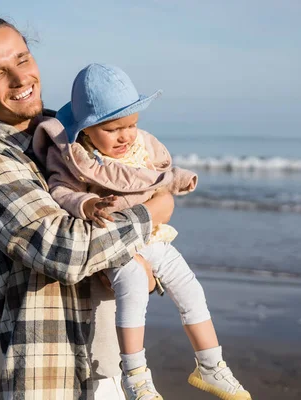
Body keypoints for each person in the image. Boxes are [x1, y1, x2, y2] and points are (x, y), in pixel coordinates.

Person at [0, 17, 175, 399]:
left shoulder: (79, 135)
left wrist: (143, 266)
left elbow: (136, 188)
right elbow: (67, 251)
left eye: (22, 59)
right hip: (52, 377)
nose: (20, 79)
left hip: (114, 368)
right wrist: (154, 212)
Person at [32, 63, 252, 400]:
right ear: (87, 130)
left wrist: (176, 182)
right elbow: (61, 190)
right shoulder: (76, 156)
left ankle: (210, 365)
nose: (125, 136)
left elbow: (159, 179)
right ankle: (135, 377)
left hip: (151, 235)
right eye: (112, 129)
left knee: (189, 288)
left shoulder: (142, 147)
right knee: (134, 286)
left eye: (131, 125)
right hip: (113, 241)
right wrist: (88, 203)